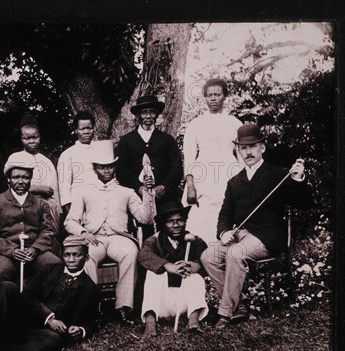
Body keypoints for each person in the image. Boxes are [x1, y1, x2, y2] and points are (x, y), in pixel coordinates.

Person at [200, 124, 312, 328]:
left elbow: (304, 204)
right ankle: (241, 305)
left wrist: (298, 179)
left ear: (263, 147)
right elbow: (225, 214)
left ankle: (225, 314)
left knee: (235, 253)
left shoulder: (279, 174)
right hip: (240, 236)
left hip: (267, 237)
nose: (248, 152)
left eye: (252, 146)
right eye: (243, 148)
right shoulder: (234, 182)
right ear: (238, 151)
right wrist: (223, 232)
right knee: (208, 256)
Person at [0, 162, 64, 351]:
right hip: (6, 253)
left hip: (34, 252)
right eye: (16, 177)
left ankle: (40, 317)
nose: (20, 181)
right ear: (8, 179)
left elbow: (48, 232)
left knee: (54, 263)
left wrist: (35, 249)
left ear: (30, 179)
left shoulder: (40, 204)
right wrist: (11, 251)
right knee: (0, 273)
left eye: (25, 177)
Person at [64, 140, 153, 324]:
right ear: (95, 168)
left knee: (130, 253)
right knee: (86, 257)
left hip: (119, 238)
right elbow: (70, 221)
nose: (107, 171)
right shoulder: (83, 192)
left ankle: (124, 307)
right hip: (93, 237)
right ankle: (91, 306)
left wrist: (147, 193)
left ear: (114, 167)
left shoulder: (126, 192)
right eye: (102, 167)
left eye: (110, 167)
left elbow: (145, 219)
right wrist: (82, 233)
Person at [0, 235, 101, 351]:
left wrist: (81, 330)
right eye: (67, 255)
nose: (71, 259)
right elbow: (27, 294)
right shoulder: (49, 270)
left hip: (48, 334)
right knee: (7, 286)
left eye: (76, 255)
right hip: (28, 320)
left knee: (54, 341)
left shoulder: (90, 288)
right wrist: (48, 318)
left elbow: (92, 321)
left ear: (86, 257)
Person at [181, 78, 243, 244]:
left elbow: (242, 156)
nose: (213, 98)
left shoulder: (235, 124)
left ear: (224, 96)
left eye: (217, 94)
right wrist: (191, 186)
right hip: (204, 177)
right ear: (205, 98)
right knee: (202, 220)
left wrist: (244, 184)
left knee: (227, 213)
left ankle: (226, 260)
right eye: (209, 95)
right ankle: (202, 261)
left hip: (229, 174)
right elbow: (189, 157)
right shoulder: (196, 124)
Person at [137, 201, 209, 336]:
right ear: (164, 224)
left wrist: (196, 265)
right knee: (153, 274)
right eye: (170, 222)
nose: (176, 225)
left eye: (180, 220)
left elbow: (206, 256)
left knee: (195, 277)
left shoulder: (194, 240)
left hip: (186, 302)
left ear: (185, 221)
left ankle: (193, 320)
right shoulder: (155, 240)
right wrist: (168, 266)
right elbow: (143, 255)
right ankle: (150, 322)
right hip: (161, 303)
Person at [116, 94, 183, 234]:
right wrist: (139, 188)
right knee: (141, 232)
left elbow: (176, 167)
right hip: (136, 198)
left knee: (167, 231)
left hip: (164, 197)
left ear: (156, 114)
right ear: (138, 115)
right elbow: (121, 170)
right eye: (144, 112)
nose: (148, 116)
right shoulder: (127, 141)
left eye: (151, 112)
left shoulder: (167, 140)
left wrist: (164, 186)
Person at [5, 113, 62, 234]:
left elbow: (55, 189)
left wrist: (59, 210)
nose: (32, 141)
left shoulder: (46, 161)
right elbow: (11, 187)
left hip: (48, 208)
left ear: (39, 137)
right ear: (21, 139)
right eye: (27, 138)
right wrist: (37, 189)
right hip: (26, 208)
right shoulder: (15, 158)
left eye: (35, 137)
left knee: (49, 238)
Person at [57, 111, 98, 216]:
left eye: (89, 128)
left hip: (100, 201)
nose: (86, 132)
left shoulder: (101, 150)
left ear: (94, 128)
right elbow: (64, 187)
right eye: (82, 129)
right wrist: (71, 214)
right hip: (79, 204)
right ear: (76, 130)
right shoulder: (67, 154)